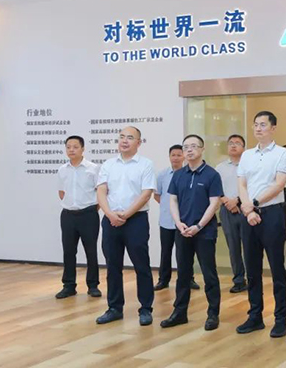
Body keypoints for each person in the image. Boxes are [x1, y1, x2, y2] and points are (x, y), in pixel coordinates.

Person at [236, 111, 286, 338]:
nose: (258, 128)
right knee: (252, 268)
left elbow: (279, 185)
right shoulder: (247, 155)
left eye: (263, 124)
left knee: (277, 268)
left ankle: (281, 318)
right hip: (248, 214)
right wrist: (248, 208)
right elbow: (241, 184)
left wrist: (255, 204)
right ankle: (255, 316)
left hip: (272, 214)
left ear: (273, 128)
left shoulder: (282, 153)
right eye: (255, 125)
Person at [160, 135, 224, 331]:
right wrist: (178, 223)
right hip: (182, 230)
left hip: (204, 232)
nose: (189, 150)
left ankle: (213, 313)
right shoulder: (179, 174)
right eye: (186, 147)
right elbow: (172, 200)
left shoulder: (212, 174)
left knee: (209, 273)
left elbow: (214, 203)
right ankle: (180, 312)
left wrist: (199, 226)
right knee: (183, 273)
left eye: (194, 146)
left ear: (202, 149)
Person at [95, 126, 157, 326]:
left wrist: (126, 215)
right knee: (112, 266)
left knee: (141, 265)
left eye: (130, 137)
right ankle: (114, 308)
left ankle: (145, 309)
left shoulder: (145, 164)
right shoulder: (108, 164)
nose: (124, 141)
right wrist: (110, 214)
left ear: (139, 142)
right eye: (121, 137)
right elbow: (101, 191)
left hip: (136, 220)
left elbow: (146, 194)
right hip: (111, 219)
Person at [55, 135, 101, 299]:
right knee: (68, 251)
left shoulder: (93, 168)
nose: (71, 150)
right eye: (68, 147)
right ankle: (68, 286)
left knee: (91, 251)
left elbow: (100, 192)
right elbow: (62, 192)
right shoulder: (62, 169)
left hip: (88, 214)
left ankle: (93, 285)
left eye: (75, 147)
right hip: (68, 215)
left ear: (83, 149)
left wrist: (91, 208)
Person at [153, 145, 200, 292]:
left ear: (184, 156)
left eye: (179, 155)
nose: (176, 158)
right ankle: (163, 280)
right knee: (165, 251)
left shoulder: (189, 174)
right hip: (166, 221)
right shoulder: (162, 175)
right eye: (173, 155)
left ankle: (189, 278)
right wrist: (169, 207)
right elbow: (157, 195)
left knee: (185, 252)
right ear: (169, 157)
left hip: (185, 221)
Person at [216, 134, 248, 293]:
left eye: (237, 143)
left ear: (244, 147)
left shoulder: (249, 166)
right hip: (226, 209)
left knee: (249, 246)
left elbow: (252, 186)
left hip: (246, 209)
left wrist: (237, 201)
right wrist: (227, 202)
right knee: (233, 247)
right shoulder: (220, 167)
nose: (233, 146)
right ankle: (239, 280)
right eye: (230, 143)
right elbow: (216, 188)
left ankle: (253, 278)